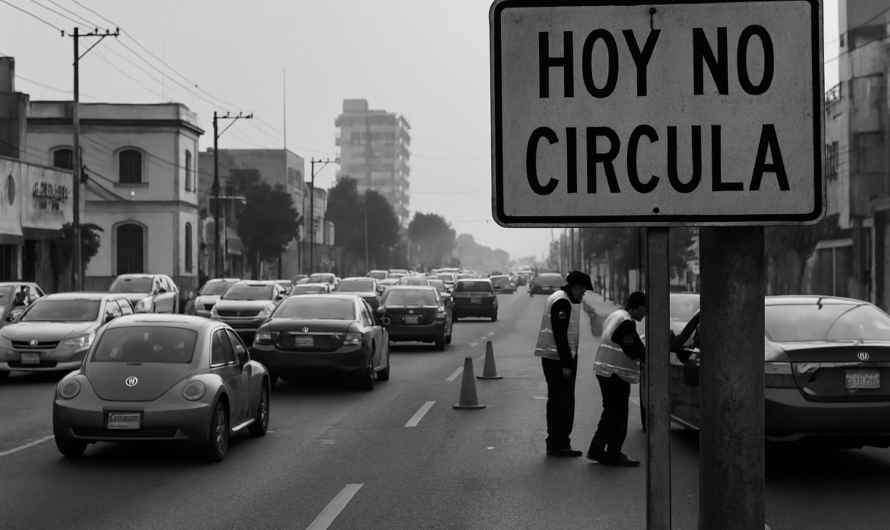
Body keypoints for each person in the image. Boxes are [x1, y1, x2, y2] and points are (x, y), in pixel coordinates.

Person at [534, 270, 593, 457]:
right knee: (562, 403)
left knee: (557, 402)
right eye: (582, 288)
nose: (584, 292)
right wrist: (567, 364)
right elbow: (560, 336)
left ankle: (557, 442)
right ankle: (558, 443)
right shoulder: (562, 302)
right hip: (558, 360)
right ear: (575, 286)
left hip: (555, 358)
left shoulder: (559, 298)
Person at [588, 291, 647, 467]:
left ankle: (603, 450)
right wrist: (646, 356)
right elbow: (631, 348)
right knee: (617, 414)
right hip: (615, 373)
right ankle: (608, 451)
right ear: (637, 308)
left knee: (613, 412)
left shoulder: (617, 316)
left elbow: (635, 343)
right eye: (645, 309)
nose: (646, 314)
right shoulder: (626, 322)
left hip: (606, 371)